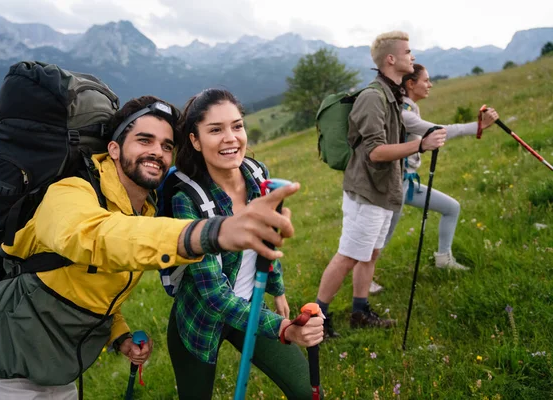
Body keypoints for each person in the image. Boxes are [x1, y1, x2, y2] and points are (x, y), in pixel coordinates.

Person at [0, 95, 301, 400]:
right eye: (144, 140)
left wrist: (118, 335)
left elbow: (92, 282)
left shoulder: (143, 208)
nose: (157, 152)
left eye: (167, 146)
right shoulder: (70, 192)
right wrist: (212, 232)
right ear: (115, 149)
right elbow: (99, 239)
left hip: (54, 375)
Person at [166, 88, 324, 400]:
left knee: (306, 391)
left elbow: (267, 240)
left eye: (237, 126)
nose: (231, 138)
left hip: (251, 308)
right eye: (215, 129)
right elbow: (214, 296)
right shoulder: (188, 202)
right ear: (195, 140)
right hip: (199, 322)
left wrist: (276, 288)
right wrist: (283, 328)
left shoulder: (258, 174)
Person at [315, 32, 447, 338]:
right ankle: (319, 316)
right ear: (391, 59)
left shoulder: (393, 95)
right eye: (408, 52)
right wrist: (420, 146)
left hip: (383, 190)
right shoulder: (373, 97)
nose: (412, 57)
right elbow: (375, 152)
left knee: (370, 253)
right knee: (348, 255)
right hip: (367, 192)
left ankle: (359, 311)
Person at [369, 64, 499, 293]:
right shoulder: (403, 112)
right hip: (394, 185)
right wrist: (478, 126)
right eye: (426, 80)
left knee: (451, 207)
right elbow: (440, 130)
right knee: (382, 238)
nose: (430, 85)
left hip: (408, 183)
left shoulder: (410, 107)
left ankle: (443, 259)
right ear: (410, 83)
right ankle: (364, 281)